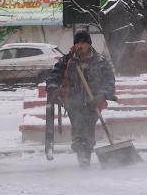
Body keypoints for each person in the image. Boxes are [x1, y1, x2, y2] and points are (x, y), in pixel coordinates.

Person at [46, 31, 116, 167]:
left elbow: (110, 81)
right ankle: (82, 156)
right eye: (77, 42)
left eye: (83, 42)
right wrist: (53, 87)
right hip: (73, 101)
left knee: (88, 129)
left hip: (94, 102)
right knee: (78, 128)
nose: (80, 45)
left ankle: (86, 154)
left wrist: (102, 95)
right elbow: (53, 76)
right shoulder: (67, 60)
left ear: (89, 44)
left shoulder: (100, 61)